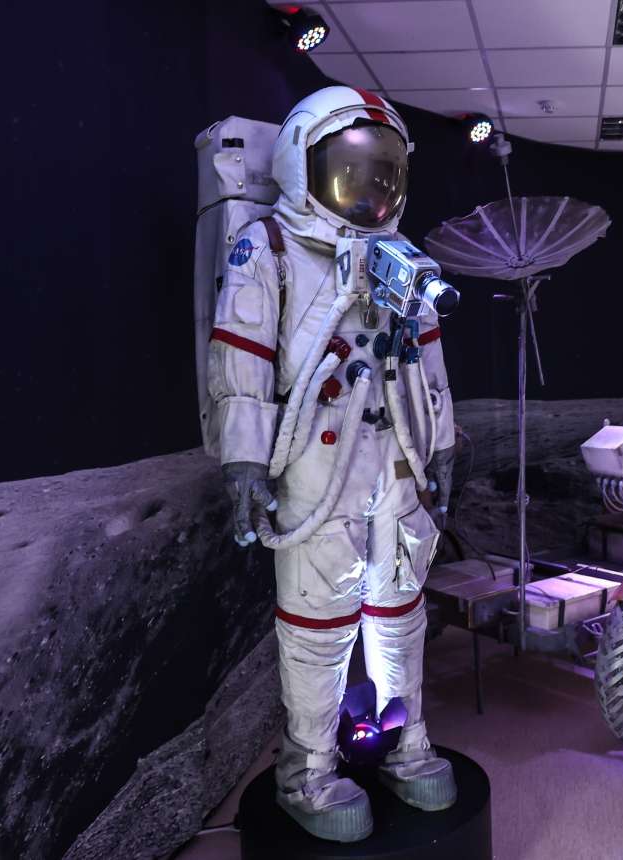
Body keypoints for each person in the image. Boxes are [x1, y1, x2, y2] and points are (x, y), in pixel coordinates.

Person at [208, 86, 457, 841]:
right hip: (316, 463)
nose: (372, 189)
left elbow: (430, 368)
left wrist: (444, 443)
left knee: (400, 607)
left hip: (399, 457)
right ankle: (309, 768)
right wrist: (244, 462)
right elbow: (241, 362)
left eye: (385, 173)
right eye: (354, 172)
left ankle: (405, 742)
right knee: (319, 618)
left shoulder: (403, 263)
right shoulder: (268, 249)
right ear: (303, 165)